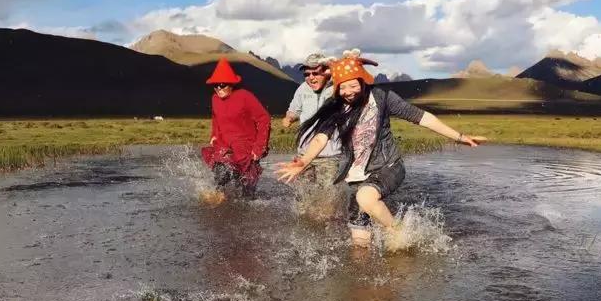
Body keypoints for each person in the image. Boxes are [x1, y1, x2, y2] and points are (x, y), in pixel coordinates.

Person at [276, 50, 487, 248]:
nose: (348, 92)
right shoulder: (337, 107)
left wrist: (459, 137)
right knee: (359, 240)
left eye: (353, 86)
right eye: (342, 87)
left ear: (362, 80)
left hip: (388, 167)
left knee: (365, 198)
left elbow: (422, 117)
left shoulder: (383, 98)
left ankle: (399, 233)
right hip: (356, 176)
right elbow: (321, 138)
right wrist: (304, 161)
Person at [201, 57, 271, 201]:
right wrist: (214, 135)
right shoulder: (214, 98)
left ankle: (247, 216)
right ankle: (219, 208)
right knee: (220, 177)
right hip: (224, 146)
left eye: (222, 85)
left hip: (246, 149)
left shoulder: (245, 96)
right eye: (215, 85)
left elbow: (264, 119)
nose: (218, 88)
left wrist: (259, 148)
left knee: (247, 193)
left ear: (231, 84)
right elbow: (215, 118)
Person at [281, 52, 342, 219]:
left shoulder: (337, 88)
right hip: (303, 155)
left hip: (329, 156)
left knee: (327, 198)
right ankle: (305, 226)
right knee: (302, 198)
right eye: (307, 74)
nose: (311, 77)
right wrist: (289, 118)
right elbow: (294, 109)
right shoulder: (302, 88)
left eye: (316, 73)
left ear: (327, 72)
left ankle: (325, 229)